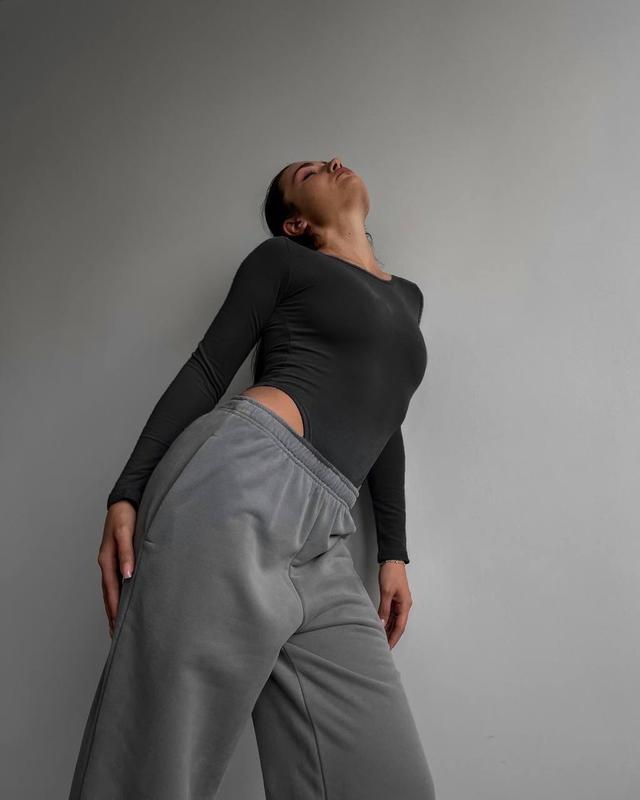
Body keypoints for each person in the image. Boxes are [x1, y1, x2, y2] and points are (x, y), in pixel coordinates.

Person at [68, 157, 436, 799]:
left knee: (383, 779)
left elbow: (387, 421)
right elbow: (210, 369)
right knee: (158, 760)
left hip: (326, 535)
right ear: (295, 223)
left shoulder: (408, 298)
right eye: (306, 173)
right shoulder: (281, 261)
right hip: (238, 486)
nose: (329, 162)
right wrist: (126, 491)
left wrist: (394, 554)